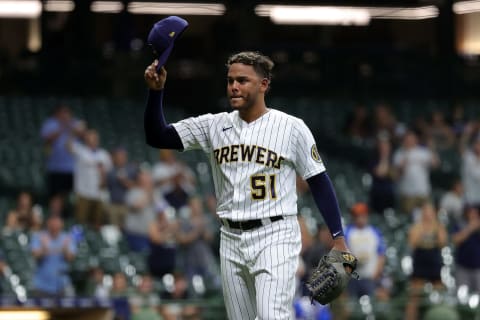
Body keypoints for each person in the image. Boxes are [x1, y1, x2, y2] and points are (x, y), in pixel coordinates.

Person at [143, 51, 352, 319]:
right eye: (230, 80)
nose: (234, 86)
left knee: (271, 316)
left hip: (275, 234)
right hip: (230, 238)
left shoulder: (291, 127)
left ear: (264, 84)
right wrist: (155, 93)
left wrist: (339, 238)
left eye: (243, 80)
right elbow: (157, 135)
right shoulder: (214, 126)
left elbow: (319, 181)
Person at [405, 202, 448, 320]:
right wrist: (423, 230)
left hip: (434, 261)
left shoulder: (438, 226)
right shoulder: (416, 226)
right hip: (420, 260)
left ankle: (440, 316)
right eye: (426, 212)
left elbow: (443, 242)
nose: (428, 215)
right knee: (415, 296)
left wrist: (434, 227)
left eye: (430, 212)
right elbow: (412, 242)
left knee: (439, 292)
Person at [69, 129, 112, 227]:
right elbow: (68, 146)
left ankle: (96, 241)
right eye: (89, 138)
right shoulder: (80, 150)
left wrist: (104, 180)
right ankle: (78, 242)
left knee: (98, 222)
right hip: (83, 192)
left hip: (99, 193)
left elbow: (108, 172)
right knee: (80, 222)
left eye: (94, 138)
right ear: (86, 139)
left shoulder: (104, 154)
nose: (92, 140)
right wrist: (74, 132)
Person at [41, 104, 85, 198]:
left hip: (73, 169)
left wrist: (74, 129)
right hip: (55, 168)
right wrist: (63, 127)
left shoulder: (75, 123)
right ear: (57, 113)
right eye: (63, 113)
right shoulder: (51, 123)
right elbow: (47, 138)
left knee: (72, 197)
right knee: (55, 196)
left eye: (67, 112)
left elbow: (85, 137)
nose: (65, 115)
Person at [344, 203, 386, 298]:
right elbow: (343, 254)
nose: (360, 219)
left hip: (370, 277)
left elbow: (381, 255)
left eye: (362, 215)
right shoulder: (347, 232)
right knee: (353, 304)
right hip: (353, 277)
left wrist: (376, 273)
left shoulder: (375, 232)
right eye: (357, 216)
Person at [393, 130, 440, 214]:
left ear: (416, 140)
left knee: (428, 217)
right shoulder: (399, 153)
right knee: (408, 219)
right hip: (408, 193)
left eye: (412, 139)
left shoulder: (423, 152)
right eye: (408, 139)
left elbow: (435, 164)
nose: (410, 141)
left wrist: (432, 149)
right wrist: (406, 153)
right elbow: (398, 172)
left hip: (423, 191)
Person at [31, 214, 76, 297]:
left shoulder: (67, 238)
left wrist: (64, 249)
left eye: (57, 224)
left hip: (62, 284)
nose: (55, 227)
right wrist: (44, 249)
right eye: (53, 224)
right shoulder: (39, 236)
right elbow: (35, 255)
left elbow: (71, 257)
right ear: (48, 224)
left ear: (62, 225)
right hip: (42, 284)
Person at [451, 206, 480, 293]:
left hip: (478, 268)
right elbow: (455, 240)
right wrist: (470, 228)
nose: (473, 215)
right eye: (470, 212)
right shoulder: (460, 224)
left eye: (475, 213)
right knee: (462, 297)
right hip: (462, 268)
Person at [106, 147, 137, 227]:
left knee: (127, 228)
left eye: (122, 157)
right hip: (113, 205)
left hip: (126, 205)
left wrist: (124, 181)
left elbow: (136, 186)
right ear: (115, 158)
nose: (120, 159)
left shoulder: (131, 169)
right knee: (114, 229)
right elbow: (105, 186)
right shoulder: (111, 170)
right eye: (118, 157)